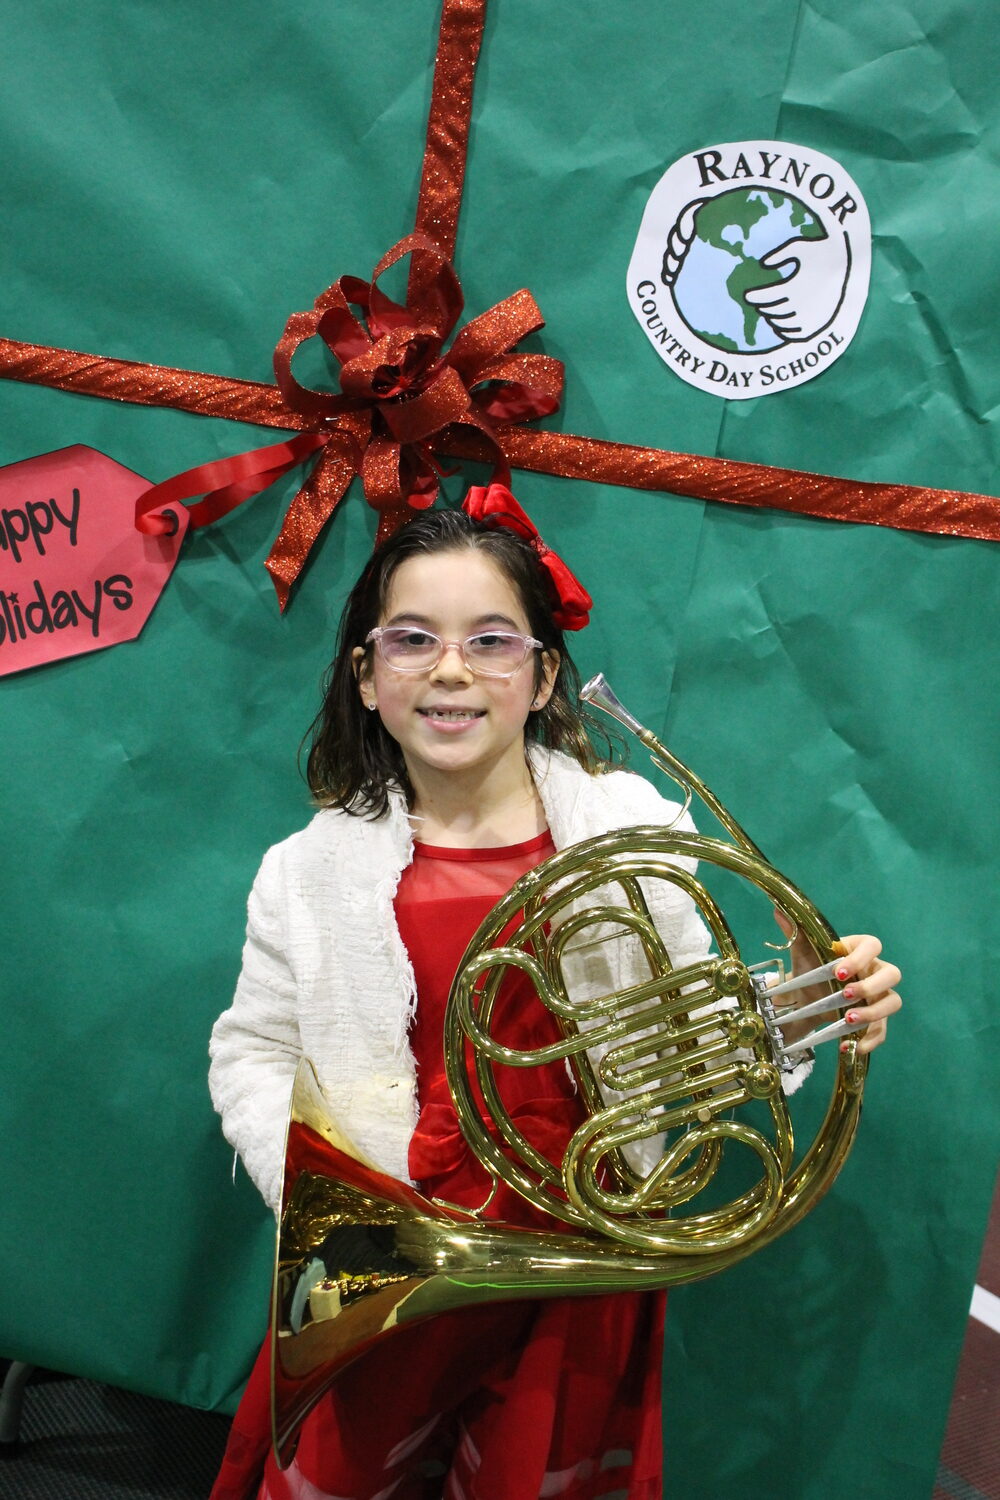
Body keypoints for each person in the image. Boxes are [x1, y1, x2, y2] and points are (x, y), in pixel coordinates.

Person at [207, 485, 902, 1500]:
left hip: (581, 1247)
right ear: (364, 677)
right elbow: (253, 1053)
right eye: (411, 640)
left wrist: (803, 1000)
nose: (450, 669)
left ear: (540, 678)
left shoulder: (636, 833)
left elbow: (696, 1039)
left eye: (492, 641)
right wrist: (324, 1207)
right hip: (387, 1254)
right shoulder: (305, 871)